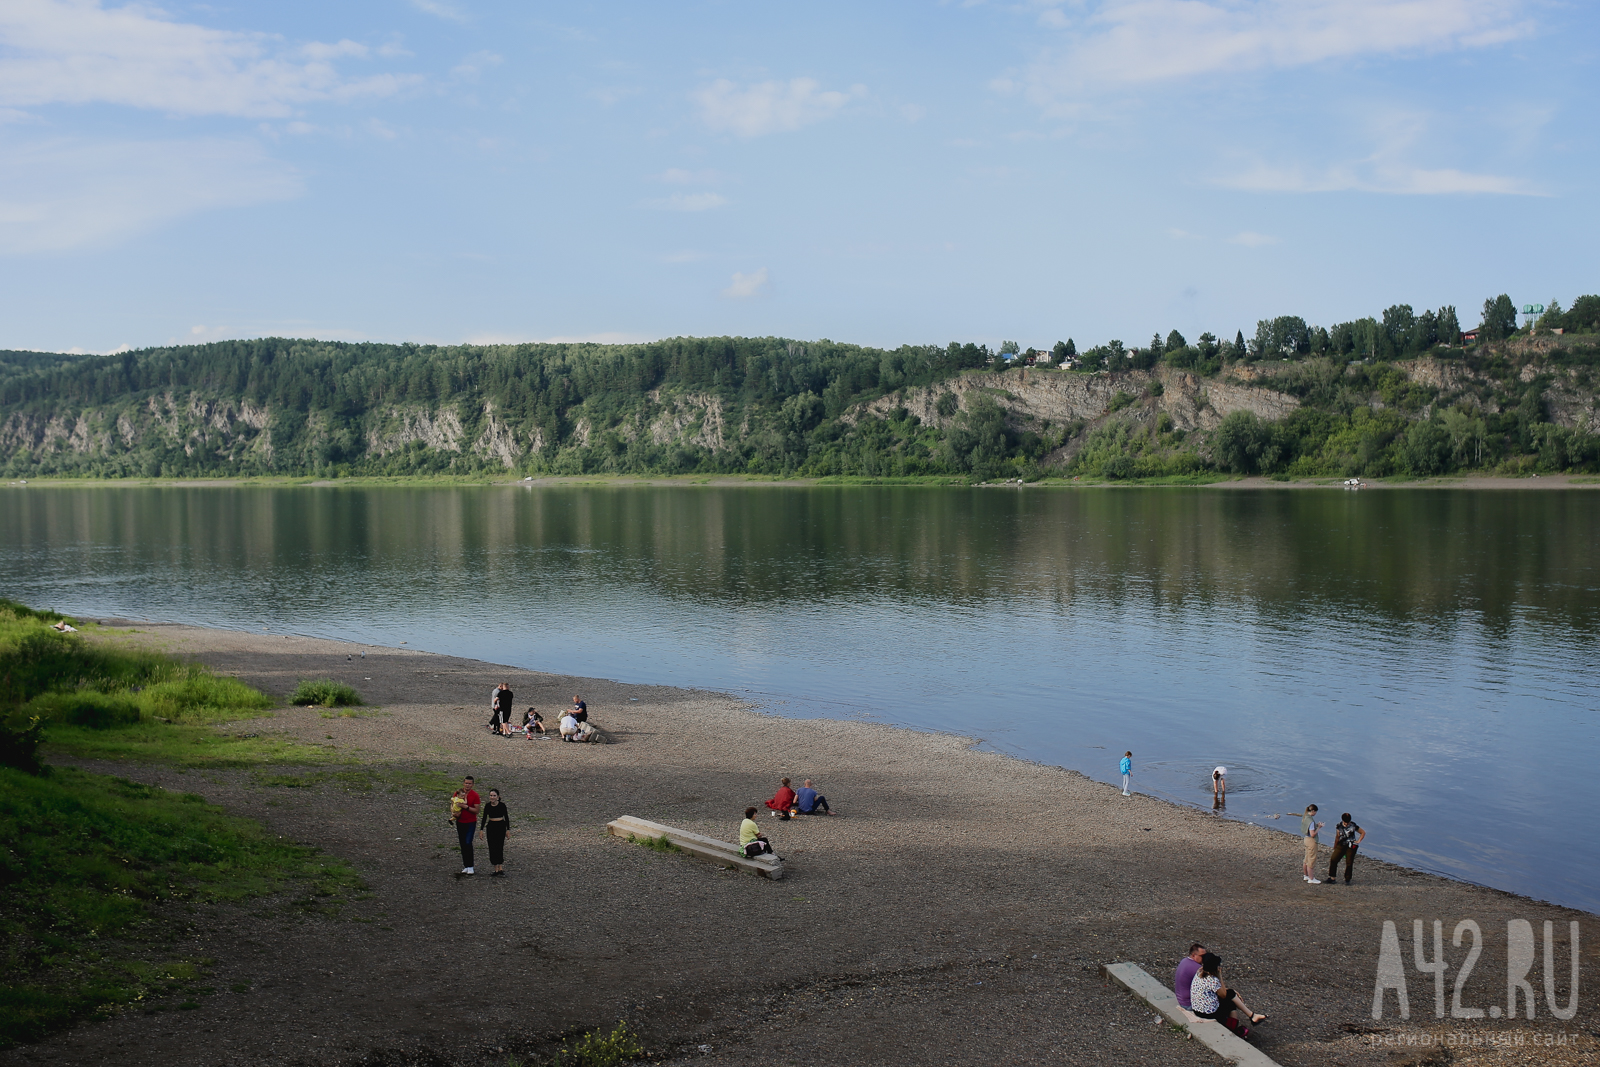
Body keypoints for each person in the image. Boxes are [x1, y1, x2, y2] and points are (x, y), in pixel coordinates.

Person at [1190, 952, 1266, 1036]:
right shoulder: (1213, 980)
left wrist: (1231, 991)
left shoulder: (1199, 972)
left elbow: (1214, 990)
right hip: (1208, 1013)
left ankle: (1252, 1016)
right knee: (1231, 1002)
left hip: (1197, 1009)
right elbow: (1223, 995)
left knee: (1231, 994)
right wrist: (1220, 975)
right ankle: (1234, 1027)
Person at [450, 776, 481, 876]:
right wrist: (453, 813)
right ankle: (466, 866)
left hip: (471, 822)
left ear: (472, 785)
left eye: (469, 783)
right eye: (466, 783)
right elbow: (452, 804)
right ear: (463, 783)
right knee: (462, 843)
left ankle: (471, 866)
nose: (467, 785)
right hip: (460, 821)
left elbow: (476, 811)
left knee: (468, 842)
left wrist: (466, 807)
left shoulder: (475, 795)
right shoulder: (458, 793)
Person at [478, 788, 511, 876]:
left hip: (500, 826)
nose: (492, 797)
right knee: (492, 847)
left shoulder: (502, 805)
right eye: (491, 795)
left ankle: (500, 868)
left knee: (499, 846)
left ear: (498, 797)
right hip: (491, 826)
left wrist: (508, 830)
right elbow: (484, 818)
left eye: (494, 795)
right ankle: (495, 869)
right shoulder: (488, 806)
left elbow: (506, 817)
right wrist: (481, 830)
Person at [1326, 813, 1366, 885]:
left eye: (1348, 822)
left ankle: (1347, 879)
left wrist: (1358, 841)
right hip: (1341, 845)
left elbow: (1362, 832)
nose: (1347, 824)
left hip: (1351, 846)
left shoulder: (1353, 825)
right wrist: (1335, 846)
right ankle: (1332, 877)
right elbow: (1337, 837)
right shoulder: (1339, 826)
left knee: (1349, 863)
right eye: (1345, 822)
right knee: (1333, 859)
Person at [1174, 943, 1206, 1015]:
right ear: (1194, 955)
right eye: (1202, 956)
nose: (1204, 958)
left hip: (1181, 1000)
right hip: (1189, 1004)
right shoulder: (1197, 968)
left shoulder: (1184, 961)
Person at [1301, 804, 1324, 884]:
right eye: (1316, 812)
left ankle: (1306, 875)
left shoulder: (1305, 817)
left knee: (1306, 858)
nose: (1316, 813)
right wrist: (1319, 828)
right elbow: (1313, 834)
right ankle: (1311, 878)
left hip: (1306, 839)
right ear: (1313, 811)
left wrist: (1316, 825)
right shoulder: (1311, 821)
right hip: (1311, 841)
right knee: (1311, 859)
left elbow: (1309, 828)